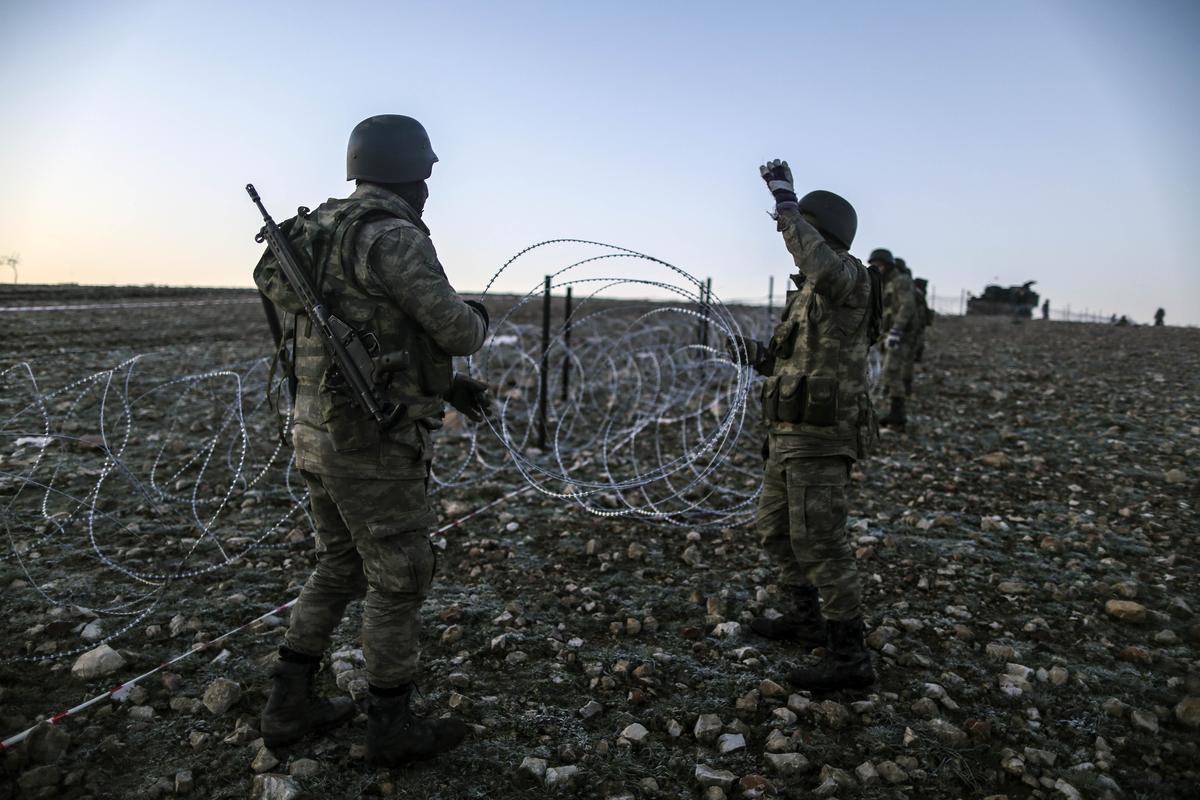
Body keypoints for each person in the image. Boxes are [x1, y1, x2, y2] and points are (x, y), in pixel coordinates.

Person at [253, 114, 491, 766]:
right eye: (426, 174)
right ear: (407, 171)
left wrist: (444, 389)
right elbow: (455, 330)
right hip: (369, 441)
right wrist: (478, 318)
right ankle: (391, 726)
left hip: (312, 430)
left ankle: (288, 703)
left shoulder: (315, 232)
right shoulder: (392, 236)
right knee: (400, 576)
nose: (429, 189)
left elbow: (368, 334)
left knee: (339, 563)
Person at [726, 159, 879, 691]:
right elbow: (799, 362)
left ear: (821, 233)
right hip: (789, 435)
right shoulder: (811, 295)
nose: (787, 233)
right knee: (776, 530)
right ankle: (804, 618)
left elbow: (817, 262)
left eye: (799, 228)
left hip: (820, 438)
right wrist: (758, 357)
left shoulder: (848, 280)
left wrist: (788, 204)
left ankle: (850, 659)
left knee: (822, 543)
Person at [868, 248, 915, 430]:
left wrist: (896, 331)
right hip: (889, 334)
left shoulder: (900, 281)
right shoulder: (886, 283)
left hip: (900, 335)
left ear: (886, 265)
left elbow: (907, 306)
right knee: (889, 373)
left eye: (877, 265)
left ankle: (898, 417)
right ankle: (896, 414)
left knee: (891, 372)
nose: (875, 269)